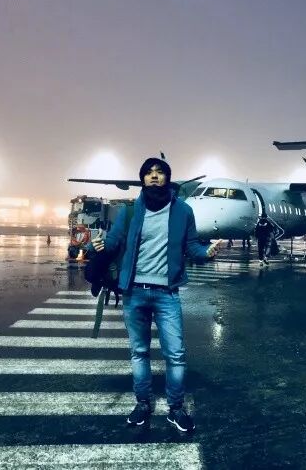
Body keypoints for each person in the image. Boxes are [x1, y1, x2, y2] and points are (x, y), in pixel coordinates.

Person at [91, 157, 219, 433]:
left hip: (166, 294)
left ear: (167, 178)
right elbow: (112, 243)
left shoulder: (183, 211)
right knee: (139, 352)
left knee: (176, 354)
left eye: (159, 172)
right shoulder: (129, 211)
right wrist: (99, 245)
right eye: (148, 173)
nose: (154, 176)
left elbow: (192, 247)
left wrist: (207, 253)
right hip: (134, 292)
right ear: (142, 179)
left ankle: (176, 408)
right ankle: (143, 404)